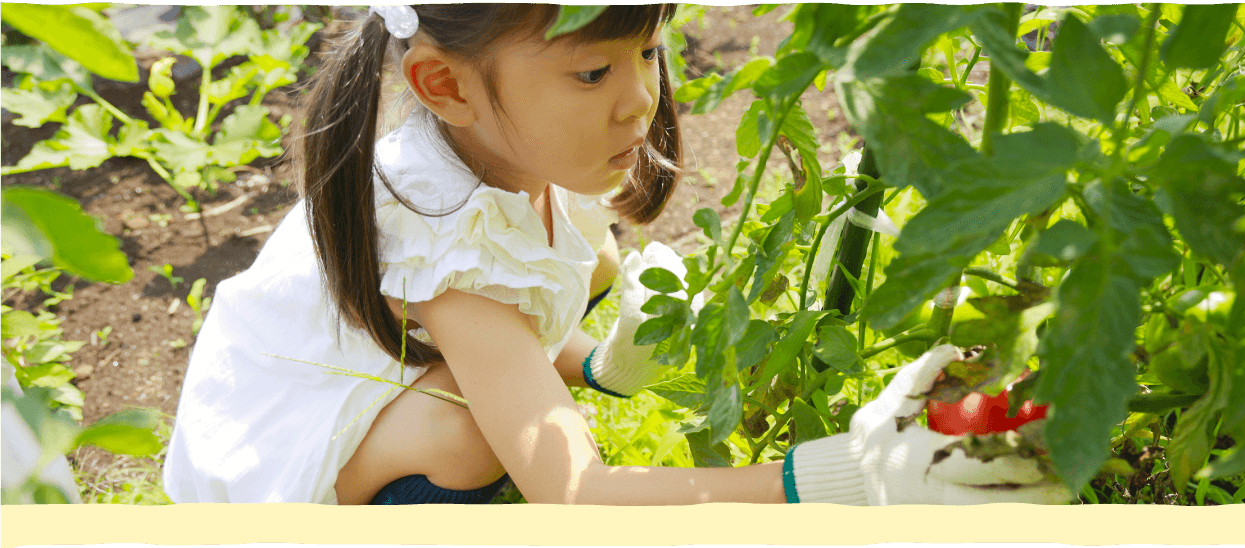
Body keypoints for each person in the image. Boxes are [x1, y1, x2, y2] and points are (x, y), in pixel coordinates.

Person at [161, 4, 1074, 506]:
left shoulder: (524, 147)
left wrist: (621, 356)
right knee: (474, 435)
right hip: (269, 435)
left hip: (393, 341)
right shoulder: (442, 236)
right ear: (445, 87)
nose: (640, 98)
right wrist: (842, 478)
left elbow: (556, 270)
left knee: (559, 303)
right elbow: (576, 493)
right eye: (593, 71)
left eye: (647, 47)